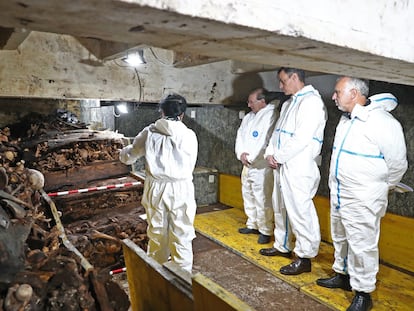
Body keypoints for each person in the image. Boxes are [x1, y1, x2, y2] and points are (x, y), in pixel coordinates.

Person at [316, 77, 407, 311]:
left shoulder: (383, 122)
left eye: (337, 92)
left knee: (362, 244)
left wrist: (376, 188)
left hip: (363, 196)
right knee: (341, 236)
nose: (333, 97)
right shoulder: (347, 121)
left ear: (354, 93)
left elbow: (398, 164)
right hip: (340, 192)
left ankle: (363, 293)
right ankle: (343, 275)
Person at [119, 94, 198, 273]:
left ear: (161, 111)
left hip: (157, 188)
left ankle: (156, 277)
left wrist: (121, 153)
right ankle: (183, 280)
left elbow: (129, 155)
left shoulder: (149, 132)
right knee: (182, 235)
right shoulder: (189, 135)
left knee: (157, 234)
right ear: (182, 114)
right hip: (182, 188)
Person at [260, 67, 327, 276]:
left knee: (300, 210)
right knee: (281, 206)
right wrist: (270, 153)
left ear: (295, 77)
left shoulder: (312, 103)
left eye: (283, 81)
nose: (280, 86)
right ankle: (282, 245)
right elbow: (277, 132)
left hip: (299, 165)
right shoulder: (290, 103)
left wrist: (278, 157)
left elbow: (301, 138)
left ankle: (305, 257)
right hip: (282, 163)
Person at [235, 88, 278, 244]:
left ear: (262, 101)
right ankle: (252, 223)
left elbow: (265, 139)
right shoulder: (248, 117)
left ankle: (265, 229)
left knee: (262, 198)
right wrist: (241, 154)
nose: (249, 104)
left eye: (251, 102)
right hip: (247, 164)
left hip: (261, 166)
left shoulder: (270, 115)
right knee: (248, 194)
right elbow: (239, 136)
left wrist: (252, 157)